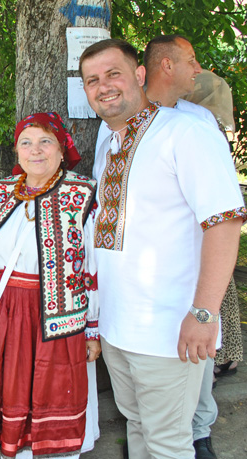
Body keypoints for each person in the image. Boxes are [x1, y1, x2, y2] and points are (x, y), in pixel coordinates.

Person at [80, 38, 244, 458]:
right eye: (92, 80)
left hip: (168, 331)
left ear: (139, 75)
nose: (104, 86)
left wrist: (204, 314)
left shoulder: (186, 132)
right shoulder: (111, 141)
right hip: (118, 330)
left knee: (169, 444)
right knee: (137, 428)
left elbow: (224, 222)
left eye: (113, 74)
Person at [0, 112, 100, 459]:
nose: (35, 151)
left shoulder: (81, 195)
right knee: (12, 387)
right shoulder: (2, 192)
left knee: (55, 390)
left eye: (45, 142)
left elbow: (94, 268)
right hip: (8, 309)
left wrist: (93, 328)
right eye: (26, 142)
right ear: (17, 152)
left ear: (62, 149)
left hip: (60, 317)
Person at [144, 34, 240, 459]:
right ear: (165, 66)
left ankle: (199, 434)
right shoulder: (122, 130)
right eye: (191, 60)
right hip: (150, 278)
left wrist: (205, 305)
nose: (198, 69)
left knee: (196, 358)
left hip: (197, 266)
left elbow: (223, 216)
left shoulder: (197, 125)